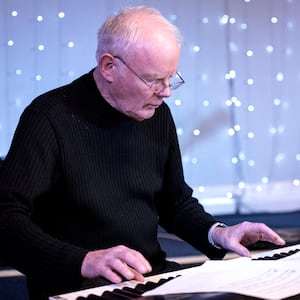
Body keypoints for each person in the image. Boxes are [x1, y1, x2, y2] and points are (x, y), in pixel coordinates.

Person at [0, 5, 285, 300]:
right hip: (78, 287)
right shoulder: (49, 117)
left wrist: (218, 233)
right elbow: (6, 219)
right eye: (153, 80)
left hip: (150, 278)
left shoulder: (156, 113)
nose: (166, 92)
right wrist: (83, 260)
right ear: (109, 66)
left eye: (171, 78)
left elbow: (174, 202)